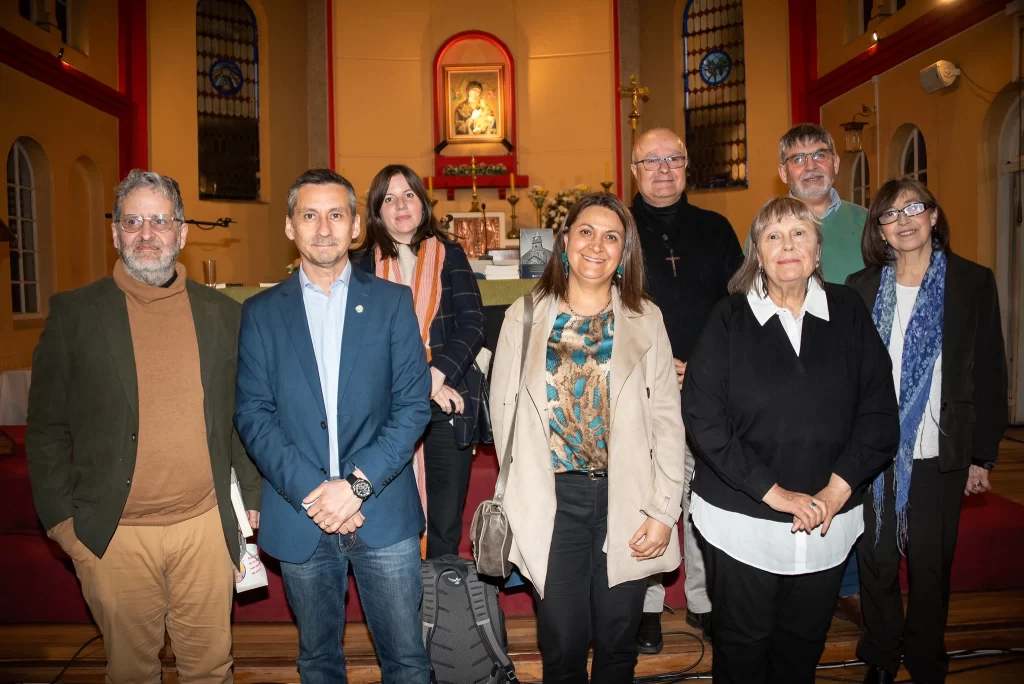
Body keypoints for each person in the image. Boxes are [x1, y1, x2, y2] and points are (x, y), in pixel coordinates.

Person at [26, 169, 262, 683]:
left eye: (160, 220)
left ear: (182, 232)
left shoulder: (222, 315)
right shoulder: (75, 314)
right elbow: (45, 429)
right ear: (115, 234)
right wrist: (64, 526)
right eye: (132, 222)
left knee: (211, 671)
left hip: (204, 528)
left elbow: (238, 414)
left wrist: (251, 496)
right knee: (131, 673)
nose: (147, 233)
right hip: (115, 536)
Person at [683, 196, 899, 684]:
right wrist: (773, 492)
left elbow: (880, 412)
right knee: (742, 648)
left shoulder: (848, 310)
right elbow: (704, 418)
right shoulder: (728, 317)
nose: (787, 245)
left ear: (817, 250)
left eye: (799, 233)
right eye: (773, 236)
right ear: (757, 255)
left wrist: (835, 491)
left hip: (828, 519)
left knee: (802, 647)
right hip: (743, 522)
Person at [234, 169, 432, 683]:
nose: (323, 228)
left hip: (381, 510)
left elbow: (413, 406)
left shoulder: (392, 303)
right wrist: (316, 493)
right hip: (301, 514)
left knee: (407, 660)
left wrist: (356, 487)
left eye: (336, 215)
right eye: (310, 215)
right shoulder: (260, 313)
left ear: (356, 227)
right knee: (318, 661)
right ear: (289, 226)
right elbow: (253, 414)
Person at [490, 192, 685, 683]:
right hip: (553, 501)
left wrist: (664, 510)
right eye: (586, 232)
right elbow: (503, 415)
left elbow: (667, 419)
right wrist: (516, 498)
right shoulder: (523, 316)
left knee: (618, 645)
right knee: (562, 645)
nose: (597, 245)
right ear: (564, 242)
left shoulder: (647, 318)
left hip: (629, 499)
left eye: (611, 236)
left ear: (625, 252)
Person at [846, 179, 1008, 684]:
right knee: (875, 562)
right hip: (874, 451)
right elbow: (848, 373)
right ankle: (881, 654)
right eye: (890, 214)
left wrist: (982, 455)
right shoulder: (861, 287)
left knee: (930, 565)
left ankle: (924, 659)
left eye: (914, 208)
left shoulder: (972, 281)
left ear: (934, 216)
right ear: (879, 230)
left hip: (940, 450)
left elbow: (991, 372)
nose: (904, 220)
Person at [629, 127, 743, 650]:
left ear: (686, 166)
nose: (663, 169)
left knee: (704, 496)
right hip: (639, 388)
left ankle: (704, 600)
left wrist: (702, 366)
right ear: (634, 169)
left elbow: (741, 308)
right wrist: (654, 366)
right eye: (651, 160)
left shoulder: (716, 229)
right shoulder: (617, 228)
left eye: (673, 158)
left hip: (708, 387)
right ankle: (647, 606)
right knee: (646, 496)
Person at [354, 164, 485, 559]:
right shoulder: (360, 266)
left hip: (448, 399)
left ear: (423, 203)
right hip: (388, 406)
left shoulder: (451, 254)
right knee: (391, 519)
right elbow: (362, 343)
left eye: (408, 195)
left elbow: (473, 324)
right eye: (389, 199)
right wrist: (421, 385)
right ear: (377, 212)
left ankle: (441, 596)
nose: (401, 205)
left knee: (445, 522)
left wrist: (435, 376)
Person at [778, 122, 869, 624]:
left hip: (856, 375)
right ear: (783, 172)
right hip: (790, 380)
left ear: (835, 162)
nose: (810, 165)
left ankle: (851, 583)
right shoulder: (769, 224)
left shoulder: (868, 222)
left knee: (853, 475)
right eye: (798, 158)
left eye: (819, 155)